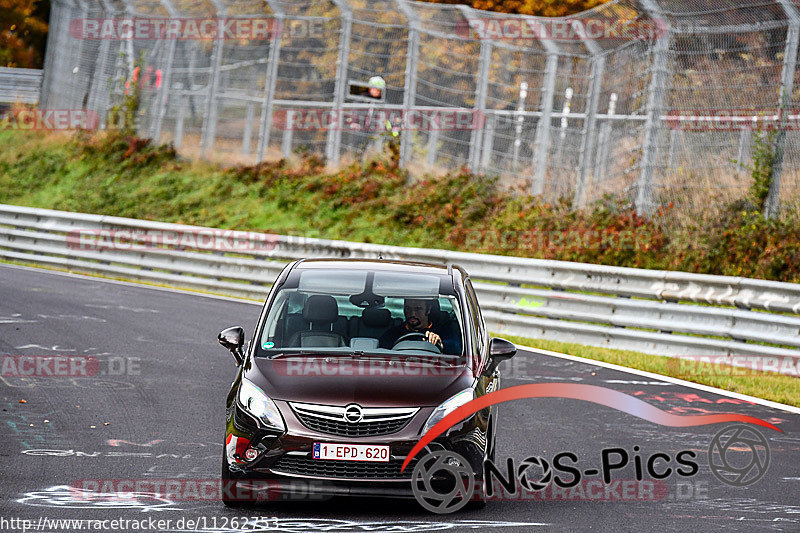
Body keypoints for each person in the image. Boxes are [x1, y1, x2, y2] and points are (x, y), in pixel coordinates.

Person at [379, 298, 460, 354]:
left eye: (418, 309)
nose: (412, 314)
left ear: (428, 310)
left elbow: (456, 348)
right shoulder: (394, 332)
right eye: (408, 308)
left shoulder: (443, 331)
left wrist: (441, 344)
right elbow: (382, 349)